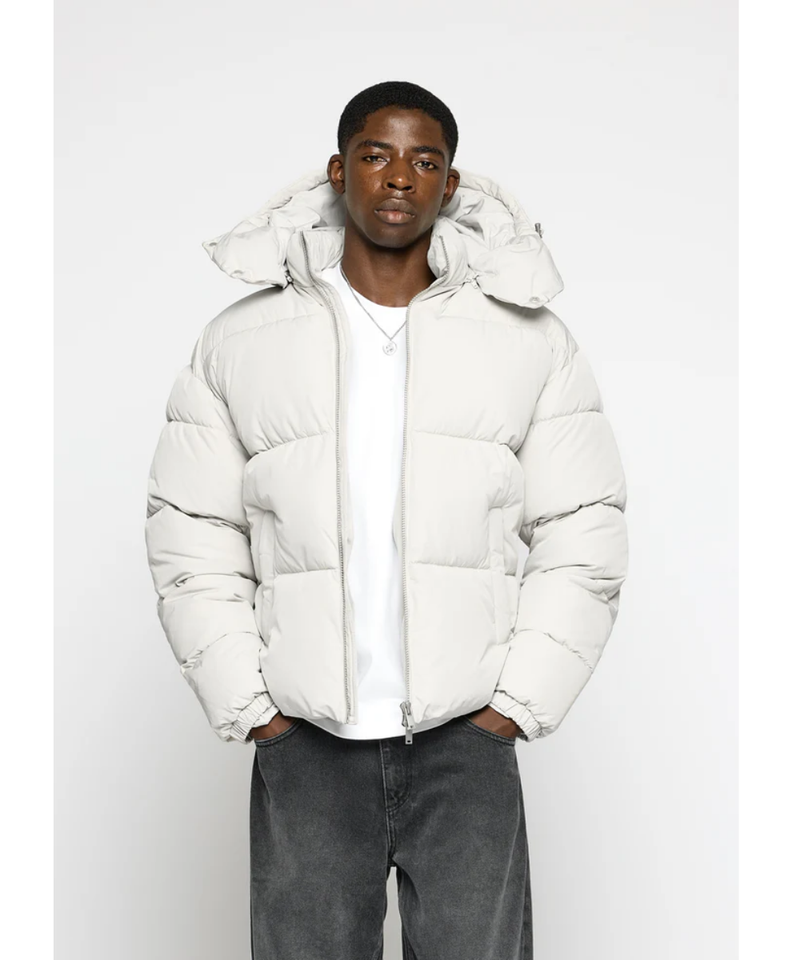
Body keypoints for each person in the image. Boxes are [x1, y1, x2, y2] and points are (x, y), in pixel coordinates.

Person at [144, 79, 628, 960]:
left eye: (424, 160)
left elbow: (583, 527)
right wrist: (254, 706)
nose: (399, 177)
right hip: (306, 744)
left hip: (466, 742)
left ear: (449, 183)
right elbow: (190, 527)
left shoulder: (530, 339)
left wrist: (513, 706)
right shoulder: (241, 340)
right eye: (375, 155)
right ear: (339, 171)